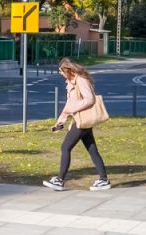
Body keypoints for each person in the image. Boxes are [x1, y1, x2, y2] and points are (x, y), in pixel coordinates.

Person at [43, 59, 110, 192]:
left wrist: (73, 109)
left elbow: (90, 99)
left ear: (68, 70)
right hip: (80, 118)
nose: (60, 74)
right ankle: (103, 180)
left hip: (82, 119)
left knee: (65, 147)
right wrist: (61, 119)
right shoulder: (70, 82)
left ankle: (60, 180)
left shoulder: (81, 80)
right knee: (92, 149)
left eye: (61, 71)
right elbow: (69, 103)